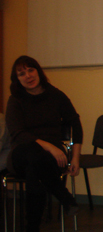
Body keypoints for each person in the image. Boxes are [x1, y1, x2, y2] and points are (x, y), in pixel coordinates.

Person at [5, 55, 82, 232]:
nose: (28, 76)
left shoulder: (56, 95)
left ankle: (32, 228)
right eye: (22, 74)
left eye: (30, 70)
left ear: (38, 71)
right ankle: (64, 196)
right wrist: (49, 147)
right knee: (34, 154)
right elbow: (17, 133)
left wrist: (75, 158)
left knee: (35, 170)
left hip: (51, 157)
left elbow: (75, 124)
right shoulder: (15, 100)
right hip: (21, 154)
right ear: (17, 79)